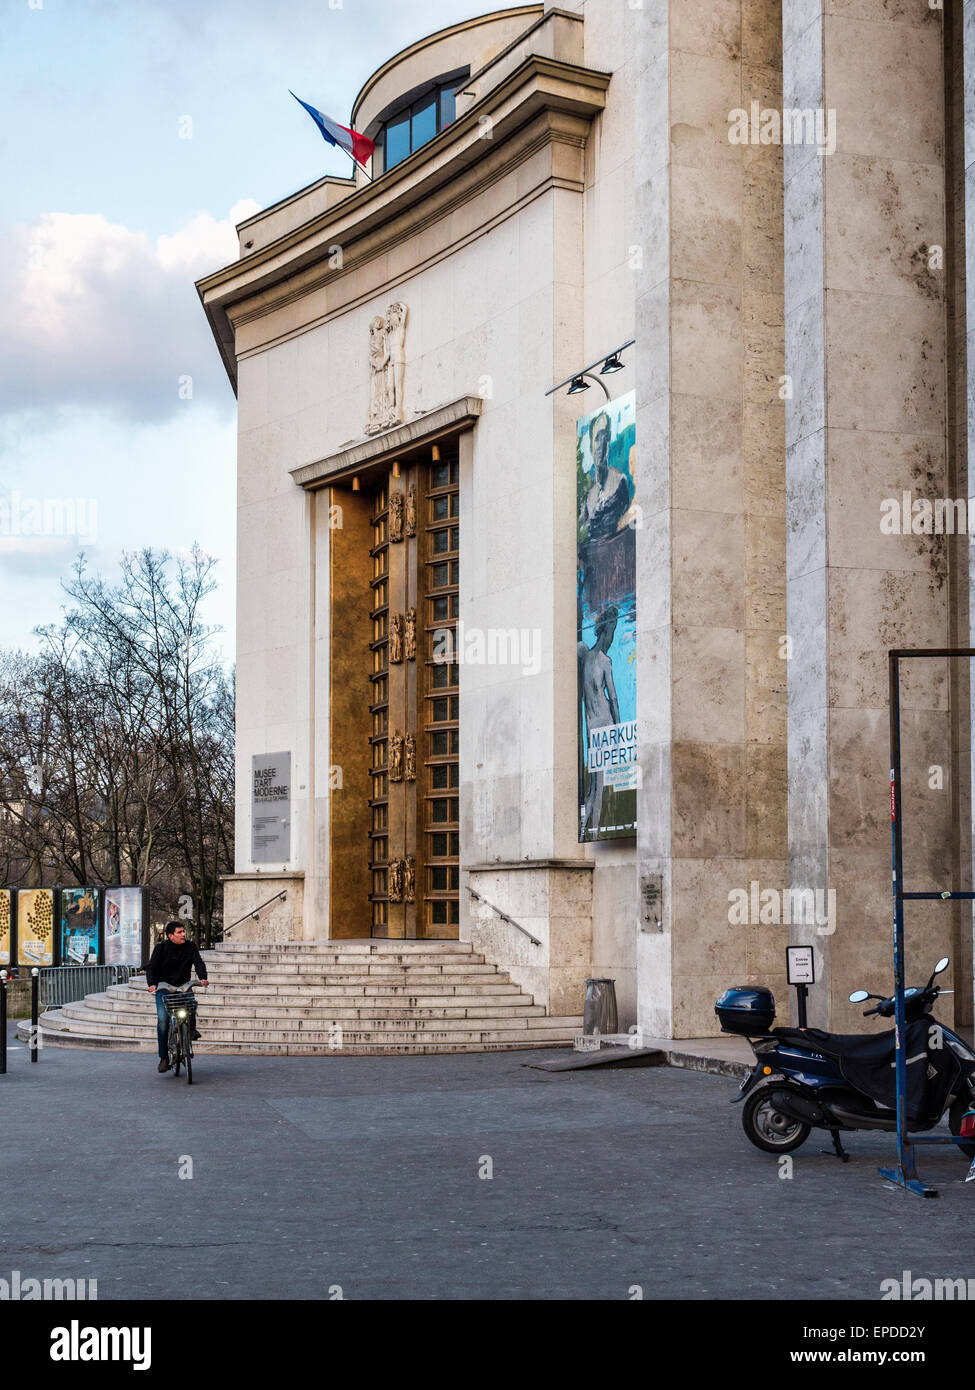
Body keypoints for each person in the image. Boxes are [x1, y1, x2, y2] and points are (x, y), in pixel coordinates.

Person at [146, 921, 208, 1073]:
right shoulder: (161, 948)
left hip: (183, 986)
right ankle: (164, 1058)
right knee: (163, 1021)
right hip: (164, 988)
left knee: (191, 1004)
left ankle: (191, 1029)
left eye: (183, 932)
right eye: (179, 932)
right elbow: (152, 966)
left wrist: (203, 977)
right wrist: (152, 984)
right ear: (170, 935)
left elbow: (198, 962)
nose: (183, 935)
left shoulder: (190, 946)